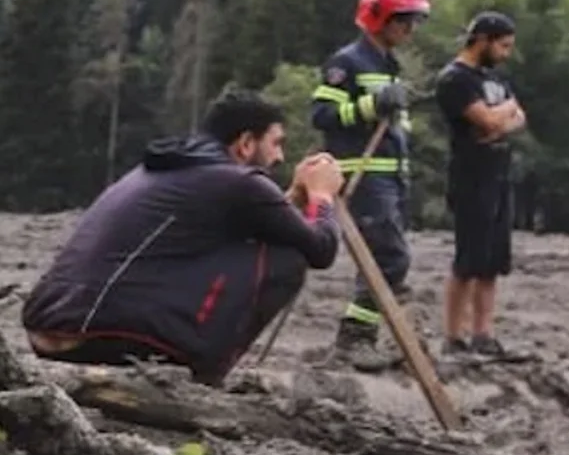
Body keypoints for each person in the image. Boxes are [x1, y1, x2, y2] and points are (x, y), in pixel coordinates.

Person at [26, 91, 346, 384]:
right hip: (102, 335)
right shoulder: (241, 182)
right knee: (286, 258)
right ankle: (205, 378)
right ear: (246, 143)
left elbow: (267, 222)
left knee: (249, 248)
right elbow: (320, 249)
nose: (279, 157)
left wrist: (295, 198)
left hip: (49, 329)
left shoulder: (166, 168)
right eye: (276, 143)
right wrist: (322, 195)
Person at [311, 0, 430, 370]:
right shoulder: (347, 63)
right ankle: (356, 337)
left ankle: (382, 335)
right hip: (362, 176)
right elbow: (322, 115)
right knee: (390, 258)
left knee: (384, 259)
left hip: (391, 177)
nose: (410, 29)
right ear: (379, 18)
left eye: (413, 21)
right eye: (403, 20)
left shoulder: (388, 64)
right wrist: (370, 106)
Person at [432, 11, 529, 361]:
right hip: (471, 177)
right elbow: (488, 119)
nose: (506, 53)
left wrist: (498, 123)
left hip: (499, 173)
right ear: (483, 39)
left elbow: (518, 117)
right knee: (468, 259)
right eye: (502, 45)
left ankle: (483, 335)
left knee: (492, 260)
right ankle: (453, 338)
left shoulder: (495, 79)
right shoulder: (455, 80)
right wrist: (501, 118)